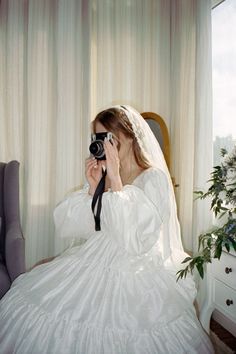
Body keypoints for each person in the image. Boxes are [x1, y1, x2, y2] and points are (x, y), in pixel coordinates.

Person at [0, 105, 214, 354]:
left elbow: (138, 241)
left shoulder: (153, 177)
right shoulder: (104, 173)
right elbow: (89, 228)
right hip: (99, 251)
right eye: (99, 138)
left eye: (110, 137)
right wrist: (93, 187)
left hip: (137, 262)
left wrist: (115, 181)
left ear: (130, 137)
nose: (105, 145)